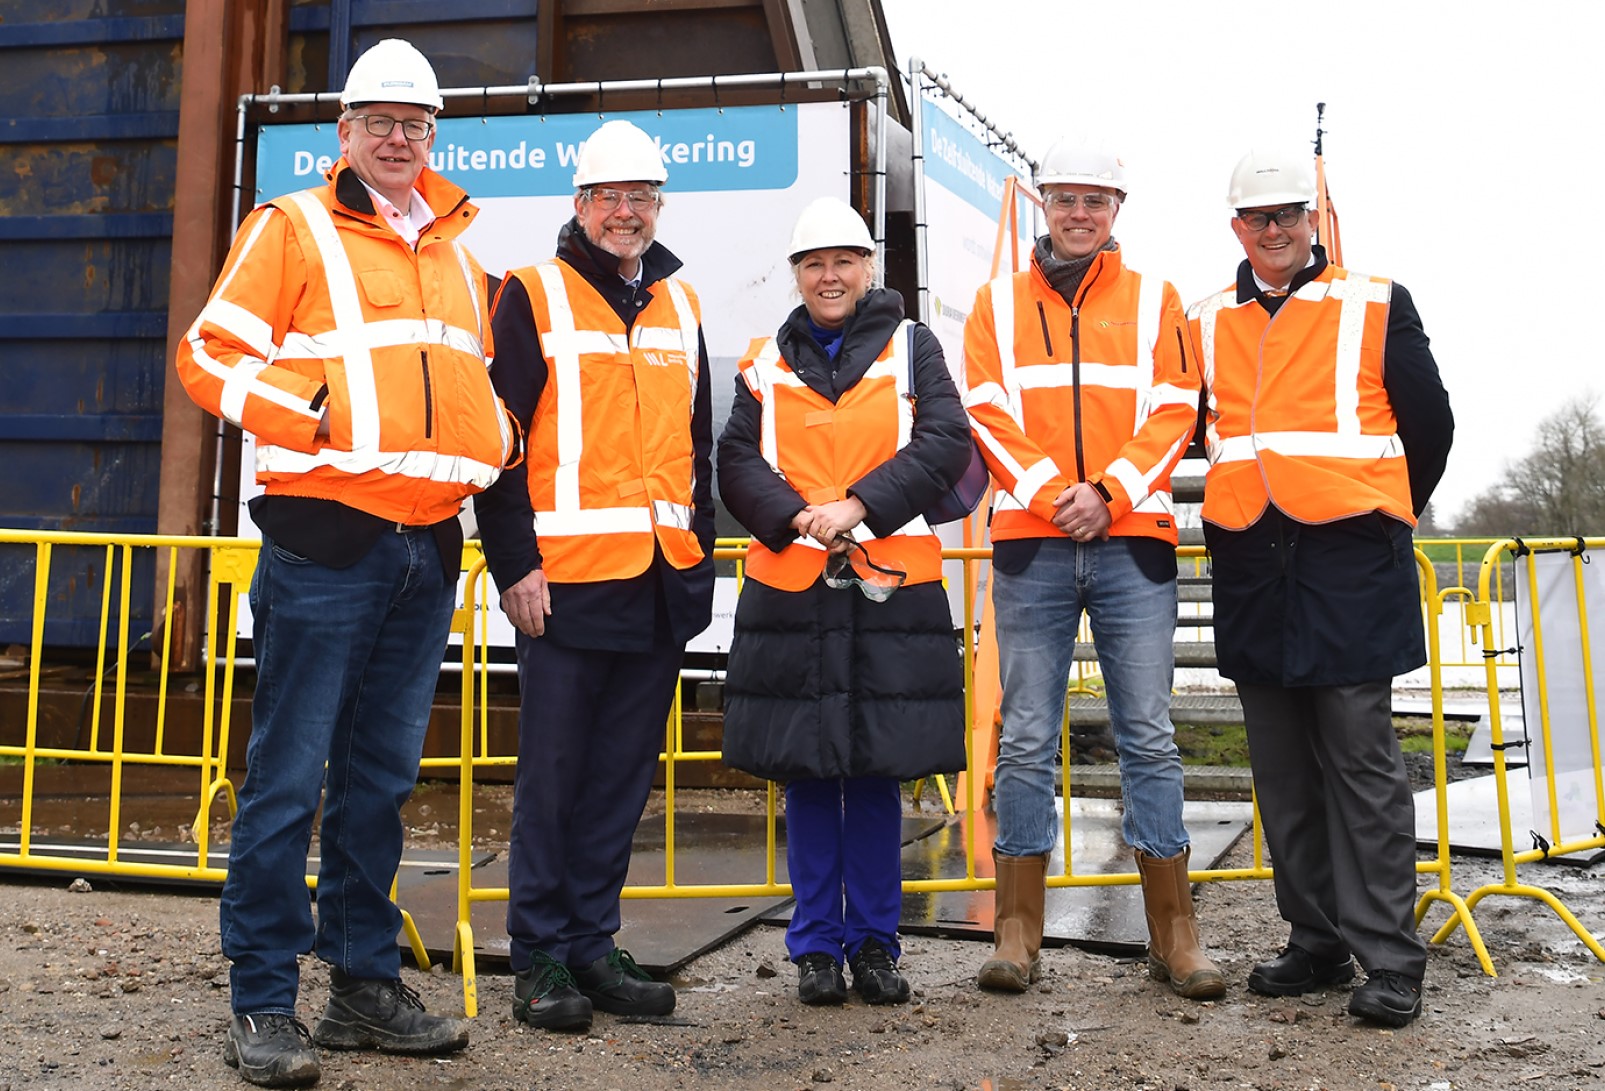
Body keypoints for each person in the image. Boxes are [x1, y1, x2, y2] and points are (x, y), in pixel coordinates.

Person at [174, 38, 515, 1088]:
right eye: (381, 121)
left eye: (416, 123)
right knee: (286, 779)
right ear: (345, 133)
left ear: (434, 135)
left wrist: (491, 440)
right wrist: (309, 417)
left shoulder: (462, 255)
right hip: (325, 538)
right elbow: (208, 353)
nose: (399, 138)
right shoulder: (295, 226)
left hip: (427, 543)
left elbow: (469, 383)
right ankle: (262, 1000)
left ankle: (364, 983)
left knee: (378, 783)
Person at [1185, 149, 1454, 1027]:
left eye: (1288, 214)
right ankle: (1314, 937)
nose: (1274, 229)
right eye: (1257, 217)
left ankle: (1388, 956)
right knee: (1282, 772)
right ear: (1236, 228)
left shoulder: (1376, 301)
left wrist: (1385, 513)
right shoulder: (1201, 319)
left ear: (1312, 220)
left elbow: (1430, 423)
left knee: (1361, 763)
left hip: (1348, 563)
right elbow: (1188, 430)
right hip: (1252, 564)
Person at [962, 140, 1220, 1000]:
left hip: (1130, 539)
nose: (1079, 214)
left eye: (1095, 201)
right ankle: (1015, 932)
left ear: (1116, 210)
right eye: (1065, 199)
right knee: (1027, 735)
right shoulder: (994, 304)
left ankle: (1173, 936)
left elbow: (1175, 408)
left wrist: (1105, 494)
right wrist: (1050, 492)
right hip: (1032, 544)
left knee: (1147, 734)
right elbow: (986, 411)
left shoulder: (1157, 300)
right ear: (1043, 203)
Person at [473, 119, 715, 1033]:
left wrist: (693, 559)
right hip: (564, 584)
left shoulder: (680, 305)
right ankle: (536, 955)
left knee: (619, 778)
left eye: (640, 197)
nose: (625, 212)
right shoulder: (530, 294)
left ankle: (589, 944)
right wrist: (514, 565)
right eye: (608, 197)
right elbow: (500, 444)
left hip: (658, 583)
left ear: (657, 207)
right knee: (554, 778)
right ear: (578, 205)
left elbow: (692, 446)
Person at [717, 196, 970, 1006]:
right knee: (805, 772)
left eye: (843, 261)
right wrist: (797, 517)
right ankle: (815, 947)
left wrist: (857, 506)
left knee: (872, 774)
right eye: (813, 263)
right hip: (795, 581)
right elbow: (734, 459)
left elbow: (944, 441)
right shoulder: (765, 361)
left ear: (869, 269)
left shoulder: (911, 347)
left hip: (886, 585)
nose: (829, 275)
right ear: (796, 275)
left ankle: (874, 944)